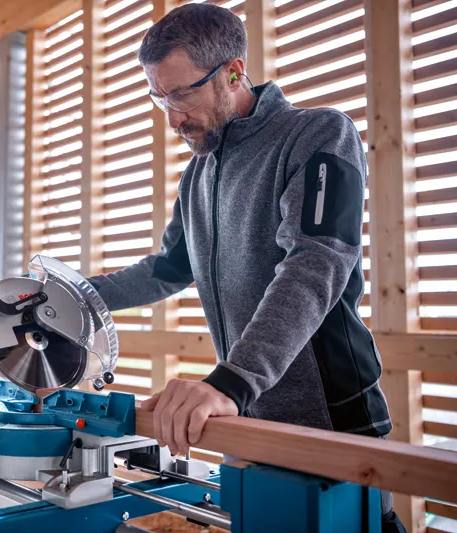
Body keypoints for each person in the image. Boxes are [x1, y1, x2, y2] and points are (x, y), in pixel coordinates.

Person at [86, 4, 404, 531]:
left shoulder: (319, 134)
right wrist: (72, 296)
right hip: (247, 416)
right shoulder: (198, 174)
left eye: (182, 94)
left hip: (332, 419)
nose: (172, 116)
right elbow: (166, 269)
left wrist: (230, 382)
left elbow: (315, 263)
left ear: (234, 73)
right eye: (159, 97)